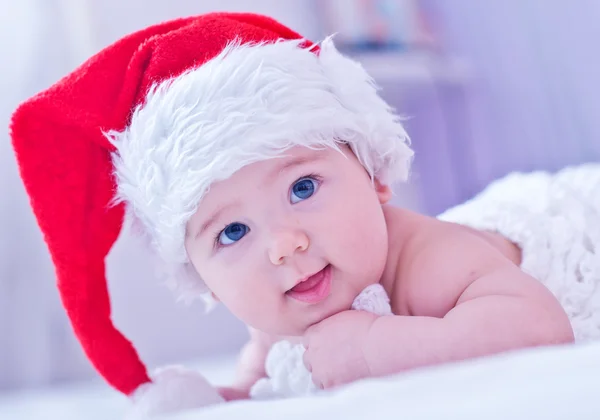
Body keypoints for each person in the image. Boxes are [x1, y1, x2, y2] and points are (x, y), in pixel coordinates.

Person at [10, 11, 597, 415]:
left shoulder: (427, 258)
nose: (284, 244)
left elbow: (538, 328)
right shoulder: (280, 306)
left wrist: (375, 348)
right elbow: (262, 377)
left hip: (573, 219)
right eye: (233, 231)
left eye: (303, 187)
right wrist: (226, 397)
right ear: (199, 276)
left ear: (372, 176)